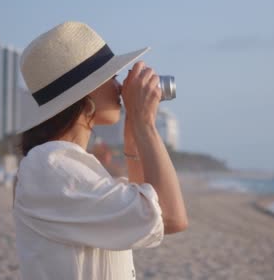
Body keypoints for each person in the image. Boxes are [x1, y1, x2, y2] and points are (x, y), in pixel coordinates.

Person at [12, 21, 188, 279]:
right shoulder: (50, 167)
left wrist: (133, 136)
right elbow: (170, 217)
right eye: (112, 76)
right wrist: (145, 123)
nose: (119, 86)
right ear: (86, 93)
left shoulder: (67, 164)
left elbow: (146, 201)